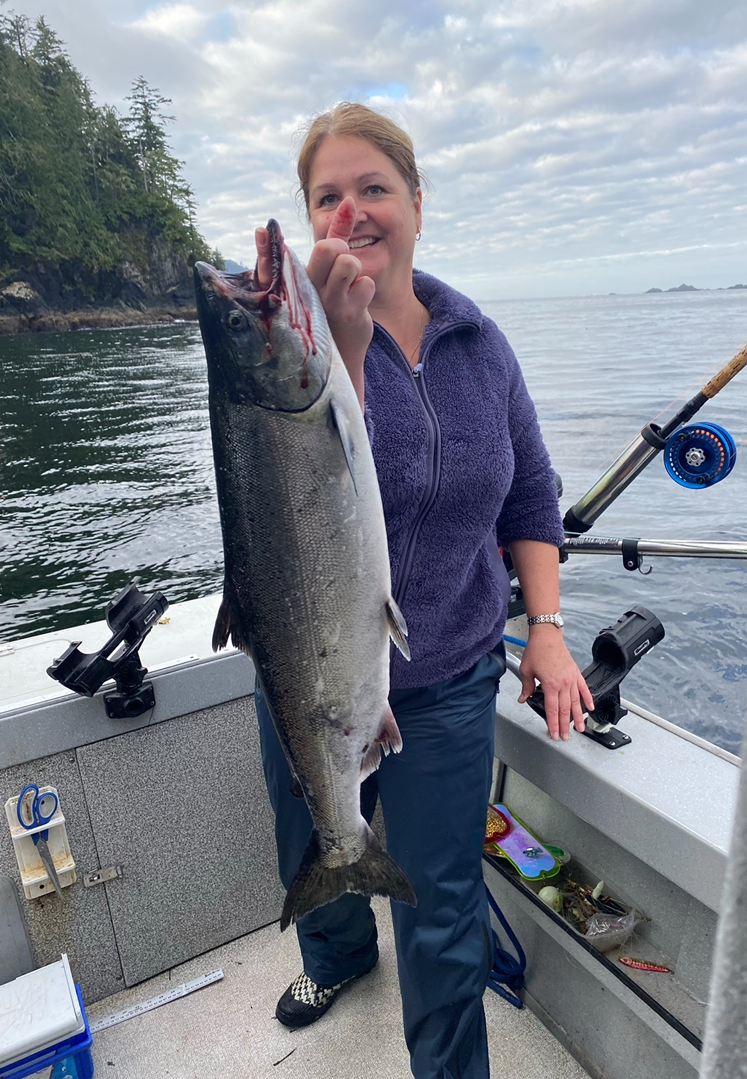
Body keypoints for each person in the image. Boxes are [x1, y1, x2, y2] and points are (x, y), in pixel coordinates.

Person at [253, 102, 592, 1079]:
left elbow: (531, 496)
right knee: (313, 851)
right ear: (308, 216)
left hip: (444, 672)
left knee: (443, 909)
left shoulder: (480, 344)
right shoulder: (285, 357)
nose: (352, 210)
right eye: (327, 195)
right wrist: (343, 348)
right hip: (306, 669)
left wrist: (550, 630)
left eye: (373, 188)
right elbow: (307, 489)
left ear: (415, 200)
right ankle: (337, 955)